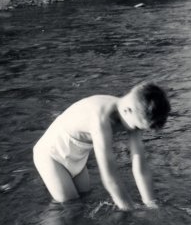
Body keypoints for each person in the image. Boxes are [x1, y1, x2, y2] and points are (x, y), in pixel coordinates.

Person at [33, 82, 171, 210]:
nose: (136, 131)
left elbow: (140, 167)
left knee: (84, 201)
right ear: (128, 110)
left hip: (78, 158)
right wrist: (130, 210)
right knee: (70, 209)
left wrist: (150, 203)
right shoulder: (100, 119)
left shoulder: (134, 111)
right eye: (136, 126)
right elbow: (109, 176)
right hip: (51, 156)